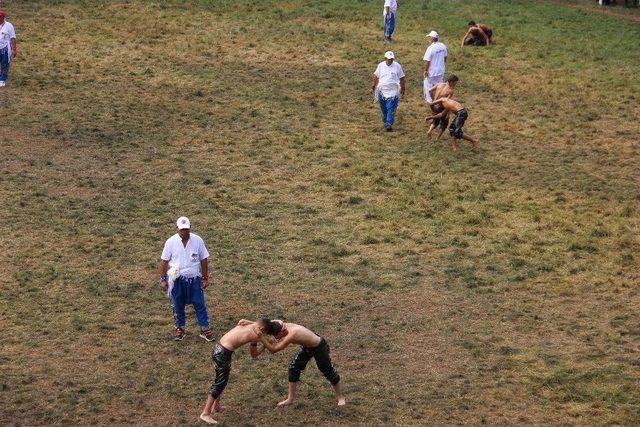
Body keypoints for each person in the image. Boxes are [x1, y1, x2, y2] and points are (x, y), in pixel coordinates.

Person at [251, 318, 346, 407]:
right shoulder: (278, 323)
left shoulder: (292, 335)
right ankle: (290, 399)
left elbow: (273, 350)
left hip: (319, 346)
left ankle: (340, 397)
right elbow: (266, 323)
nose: (278, 339)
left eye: (277, 337)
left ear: (280, 332)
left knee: (327, 371)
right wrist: (249, 323)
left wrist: (261, 338)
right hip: (307, 346)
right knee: (293, 368)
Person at [198, 320, 266, 425]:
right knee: (220, 383)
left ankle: (216, 406)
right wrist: (265, 345)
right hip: (222, 354)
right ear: (262, 329)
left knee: (220, 380)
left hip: (218, 348)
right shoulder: (255, 335)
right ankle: (205, 413)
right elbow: (254, 354)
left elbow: (245, 321)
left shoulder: (248, 323)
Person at [159, 216, 213, 342]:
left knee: (199, 303)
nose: (185, 232)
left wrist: (204, 278)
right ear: (177, 229)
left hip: (194, 278)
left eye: (187, 229)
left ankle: (204, 329)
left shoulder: (197, 240)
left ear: (190, 228)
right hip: (177, 279)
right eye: (182, 230)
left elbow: (204, 259)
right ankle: (180, 328)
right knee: (177, 304)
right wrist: (163, 279)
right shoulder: (170, 242)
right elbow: (164, 261)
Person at [372, 51, 406, 132]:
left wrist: (403, 87)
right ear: (385, 58)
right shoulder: (381, 65)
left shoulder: (397, 66)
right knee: (383, 108)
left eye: (392, 59)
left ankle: (389, 123)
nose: (390, 61)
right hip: (382, 90)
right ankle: (385, 121)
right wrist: (373, 86)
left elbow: (402, 77)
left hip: (393, 91)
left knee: (390, 108)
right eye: (389, 59)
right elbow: (376, 76)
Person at [426, 74, 459, 140]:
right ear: (452, 81)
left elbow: (430, 90)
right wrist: (448, 113)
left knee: (436, 120)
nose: (455, 84)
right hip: (441, 106)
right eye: (455, 83)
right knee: (445, 123)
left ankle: (429, 131)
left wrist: (433, 100)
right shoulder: (450, 91)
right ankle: (437, 138)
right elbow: (447, 102)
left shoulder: (439, 84)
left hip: (434, 105)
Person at [423, 30, 447, 103]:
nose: (429, 39)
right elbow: (445, 57)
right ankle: (438, 99)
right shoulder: (443, 46)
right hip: (441, 70)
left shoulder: (430, 48)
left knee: (427, 84)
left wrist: (426, 70)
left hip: (432, 71)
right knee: (440, 85)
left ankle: (429, 100)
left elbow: (427, 61)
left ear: (432, 38)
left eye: (429, 37)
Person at [0, 10, 17, 87]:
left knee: (5, 64)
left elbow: (13, 38)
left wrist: (14, 49)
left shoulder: (9, 25)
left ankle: (2, 79)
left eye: (0, 17)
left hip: (5, 48)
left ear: (3, 17)